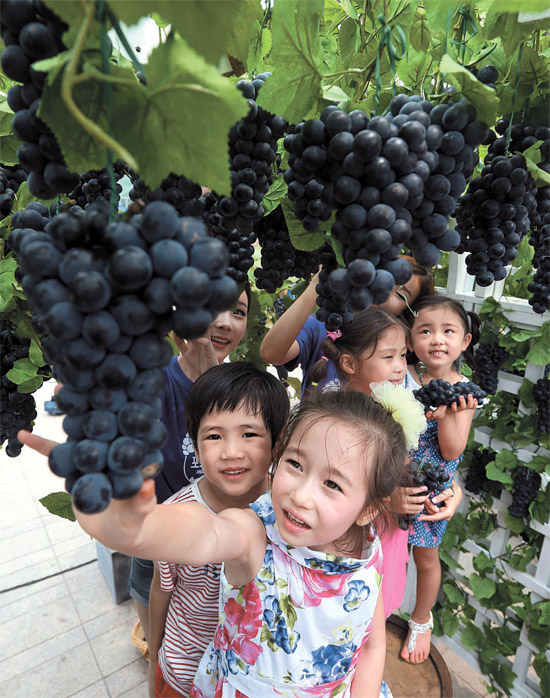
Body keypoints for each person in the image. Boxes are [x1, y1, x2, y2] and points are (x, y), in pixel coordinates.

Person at [21, 387, 425, 697]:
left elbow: (370, 646)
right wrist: (127, 523)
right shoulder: (254, 535)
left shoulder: (366, 552)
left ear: (368, 509)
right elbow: (203, 533)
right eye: (295, 464)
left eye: (332, 483)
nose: (301, 494)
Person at [308, 307, 463, 619]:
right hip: (346, 540)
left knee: (375, 616)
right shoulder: (335, 416)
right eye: (388, 357)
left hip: (388, 538)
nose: (399, 368)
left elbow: (412, 463)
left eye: (403, 356)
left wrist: (449, 489)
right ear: (349, 364)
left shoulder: (396, 406)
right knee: (342, 618)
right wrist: (386, 498)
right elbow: (323, 485)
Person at [149, 362, 290, 697]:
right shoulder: (175, 517)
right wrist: (154, 656)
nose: (231, 452)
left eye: (250, 434)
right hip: (184, 670)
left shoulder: (290, 512)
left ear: (277, 442)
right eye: (214, 436)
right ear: (195, 447)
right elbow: (161, 590)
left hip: (252, 680)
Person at [129, 286, 250, 649]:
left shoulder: (244, 384)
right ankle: (155, 643)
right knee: (147, 587)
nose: (226, 322)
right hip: (161, 532)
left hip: (221, 535)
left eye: (239, 312)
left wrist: (211, 385)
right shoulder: (156, 380)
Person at [401, 295, 481, 664]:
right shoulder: (403, 376)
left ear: (464, 341)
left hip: (431, 489)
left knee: (425, 558)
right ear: (410, 338)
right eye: (426, 330)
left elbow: (451, 451)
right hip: (394, 478)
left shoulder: (464, 392)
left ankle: (421, 619)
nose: (437, 339)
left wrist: (446, 413)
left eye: (448, 331)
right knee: (386, 549)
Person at [259, 255, 434, 397]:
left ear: (408, 310)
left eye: (400, 294)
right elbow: (271, 353)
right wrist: (319, 284)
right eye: (382, 278)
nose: (383, 291)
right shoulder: (323, 326)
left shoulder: (400, 362)